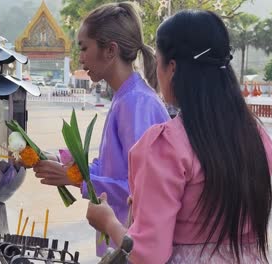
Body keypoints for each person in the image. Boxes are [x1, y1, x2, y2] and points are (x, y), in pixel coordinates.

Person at [86, 10, 272, 264]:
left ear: (172, 68)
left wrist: (108, 222)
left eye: (159, 61)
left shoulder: (167, 146)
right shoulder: (258, 139)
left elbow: (147, 255)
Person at [33, 1, 170, 257]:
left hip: (136, 245)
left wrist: (76, 179)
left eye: (85, 48)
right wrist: (65, 165)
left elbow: (140, 189)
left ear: (110, 51)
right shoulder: (124, 97)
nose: (81, 58)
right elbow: (112, 168)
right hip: (122, 241)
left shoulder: (136, 103)